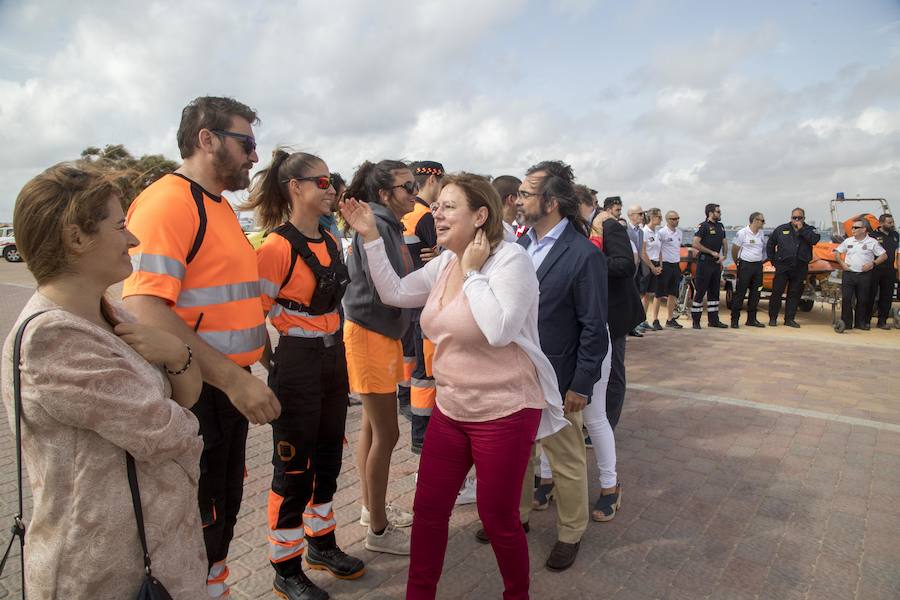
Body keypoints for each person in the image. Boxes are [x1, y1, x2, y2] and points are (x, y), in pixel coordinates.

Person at [341, 172, 569, 600]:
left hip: (506, 410)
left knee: (498, 517)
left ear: (480, 215)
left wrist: (472, 271)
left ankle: (516, 594)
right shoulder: (445, 262)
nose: (436, 214)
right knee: (428, 511)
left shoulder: (510, 260)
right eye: (437, 205)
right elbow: (393, 292)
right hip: (452, 407)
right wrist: (371, 236)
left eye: (449, 207)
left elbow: (499, 329)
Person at [3, 163, 207, 599]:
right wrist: (179, 371)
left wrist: (177, 353)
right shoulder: (53, 339)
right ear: (77, 238)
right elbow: (168, 432)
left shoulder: (112, 314)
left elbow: (185, 398)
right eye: (120, 226)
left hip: (150, 552)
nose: (132, 239)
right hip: (105, 572)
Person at [122, 96, 280, 598]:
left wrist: (255, 360)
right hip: (196, 392)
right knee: (198, 521)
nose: (255, 157)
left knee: (221, 515)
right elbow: (148, 309)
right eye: (247, 143)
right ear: (206, 139)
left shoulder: (219, 207)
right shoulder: (168, 202)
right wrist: (234, 380)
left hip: (224, 388)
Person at [244, 150, 363, 599]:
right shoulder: (275, 247)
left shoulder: (331, 241)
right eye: (323, 181)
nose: (332, 188)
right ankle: (285, 566)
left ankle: (322, 544)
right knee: (294, 467)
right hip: (296, 362)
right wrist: (271, 362)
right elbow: (255, 313)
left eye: (332, 180)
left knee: (329, 455)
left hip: (334, 361)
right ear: (296, 188)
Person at [512, 160, 609, 572]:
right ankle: (514, 519)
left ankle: (571, 532)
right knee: (517, 454)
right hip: (514, 373)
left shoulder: (582, 255)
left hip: (558, 377)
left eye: (525, 194)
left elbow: (594, 328)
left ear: (549, 202)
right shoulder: (518, 247)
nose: (517, 201)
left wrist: (582, 384)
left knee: (566, 459)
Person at [342, 159, 417, 554]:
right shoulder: (379, 227)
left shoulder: (387, 225)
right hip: (370, 334)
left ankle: (372, 511)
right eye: (408, 187)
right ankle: (379, 531)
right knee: (387, 433)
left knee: (372, 430)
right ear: (385, 194)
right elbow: (388, 287)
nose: (415, 194)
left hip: (378, 334)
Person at [400, 161, 444, 454]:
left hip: (409, 299)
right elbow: (447, 252)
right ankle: (424, 437)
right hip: (427, 300)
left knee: (416, 368)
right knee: (428, 374)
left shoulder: (405, 214)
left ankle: (412, 419)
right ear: (433, 181)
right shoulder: (424, 215)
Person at [590, 206, 644, 431]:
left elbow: (625, 264)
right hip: (597, 311)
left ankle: (607, 423)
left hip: (616, 312)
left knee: (613, 369)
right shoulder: (589, 228)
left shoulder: (610, 227)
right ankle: (595, 421)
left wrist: (589, 260)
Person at [766, 208, 821, 328]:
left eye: (799, 218)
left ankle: (789, 319)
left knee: (794, 294)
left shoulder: (809, 230)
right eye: (794, 218)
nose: (796, 220)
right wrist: (773, 261)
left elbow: (815, 240)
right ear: (790, 218)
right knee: (777, 293)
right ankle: (773, 318)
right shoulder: (781, 229)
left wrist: (801, 229)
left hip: (800, 267)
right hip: (783, 267)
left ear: (803, 218)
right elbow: (770, 244)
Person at [834, 220, 888, 330]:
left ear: (864, 229)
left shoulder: (872, 242)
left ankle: (860, 323)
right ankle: (846, 324)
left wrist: (873, 263)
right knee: (847, 299)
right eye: (852, 227)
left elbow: (884, 255)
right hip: (849, 274)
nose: (853, 229)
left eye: (856, 227)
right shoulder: (848, 241)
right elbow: (837, 253)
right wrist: (842, 263)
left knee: (862, 300)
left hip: (864, 275)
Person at [690, 203, 729, 329]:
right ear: (710, 213)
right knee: (700, 291)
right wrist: (711, 252)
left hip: (716, 264)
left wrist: (724, 255)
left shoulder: (720, 226)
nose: (720, 213)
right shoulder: (703, 226)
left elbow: (724, 242)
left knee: (714, 293)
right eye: (718, 211)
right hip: (704, 262)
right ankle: (696, 320)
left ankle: (713, 320)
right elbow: (695, 243)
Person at [730, 212, 768, 328]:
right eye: (762, 220)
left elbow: (763, 250)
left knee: (756, 293)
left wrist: (761, 261)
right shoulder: (742, 233)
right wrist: (738, 262)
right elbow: (735, 250)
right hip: (745, 265)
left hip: (757, 266)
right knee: (740, 293)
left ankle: (751, 319)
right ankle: (735, 320)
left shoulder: (761, 233)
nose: (763, 223)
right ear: (755, 220)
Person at [868, 214, 898, 330]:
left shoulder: (895, 235)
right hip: (875, 269)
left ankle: (882, 321)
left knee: (887, 296)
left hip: (890, 270)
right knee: (871, 295)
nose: (891, 224)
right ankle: (866, 321)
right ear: (881, 223)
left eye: (892, 222)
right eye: (889, 222)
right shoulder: (872, 236)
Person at [656, 211, 685, 329]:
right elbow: (657, 249)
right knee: (659, 293)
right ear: (667, 220)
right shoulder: (662, 233)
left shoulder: (679, 233)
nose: (676, 220)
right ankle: (655, 319)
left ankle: (669, 319)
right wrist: (659, 265)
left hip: (675, 265)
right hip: (665, 265)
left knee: (673, 293)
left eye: (677, 218)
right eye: (673, 219)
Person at [640, 208, 664, 330]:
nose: (661, 219)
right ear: (652, 217)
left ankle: (643, 320)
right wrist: (652, 267)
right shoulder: (644, 231)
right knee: (643, 294)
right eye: (659, 217)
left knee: (649, 294)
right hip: (647, 264)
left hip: (655, 263)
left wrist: (660, 265)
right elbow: (643, 252)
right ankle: (639, 321)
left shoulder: (657, 233)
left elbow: (659, 250)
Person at [492, 175, 523, 242]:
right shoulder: (506, 235)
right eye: (522, 196)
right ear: (511, 199)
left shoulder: (490, 228)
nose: (524, 201)